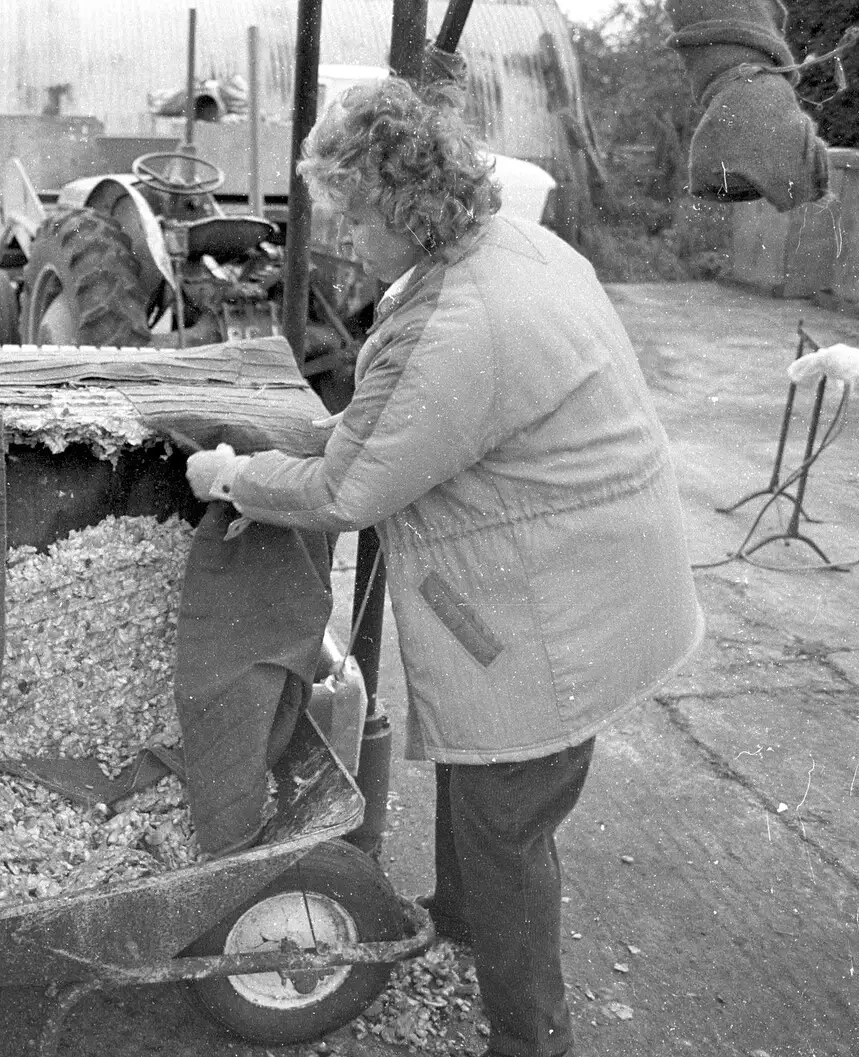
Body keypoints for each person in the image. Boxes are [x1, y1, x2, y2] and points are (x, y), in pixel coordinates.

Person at [185, 80, 703, 1057]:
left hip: (558, 614)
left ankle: (531, 1036)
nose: (341, 237)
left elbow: (348, 491)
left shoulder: (463, 322)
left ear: (401, 206)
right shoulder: (508, 246)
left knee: (507, 828)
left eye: (351, 215)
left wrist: (231, 473)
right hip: (592, 574)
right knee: (491, 794)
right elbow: (397, 420)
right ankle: (459, 922)